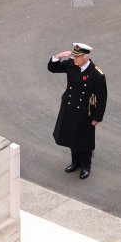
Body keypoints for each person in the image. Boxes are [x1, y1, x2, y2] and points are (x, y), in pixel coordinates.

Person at [48, 43, 107, 179]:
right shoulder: (71, 65)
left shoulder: (96, 74)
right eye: (74, 56)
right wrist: (57, 57)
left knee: (84, 139)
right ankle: (75, 163)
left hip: (85, 112)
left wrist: (97, 117)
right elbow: (53, 68)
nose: (75, 59)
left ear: (86, 57)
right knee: (71, 136)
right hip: (69, 108)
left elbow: (102, 98)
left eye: (78, 57)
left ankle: (86, 165)